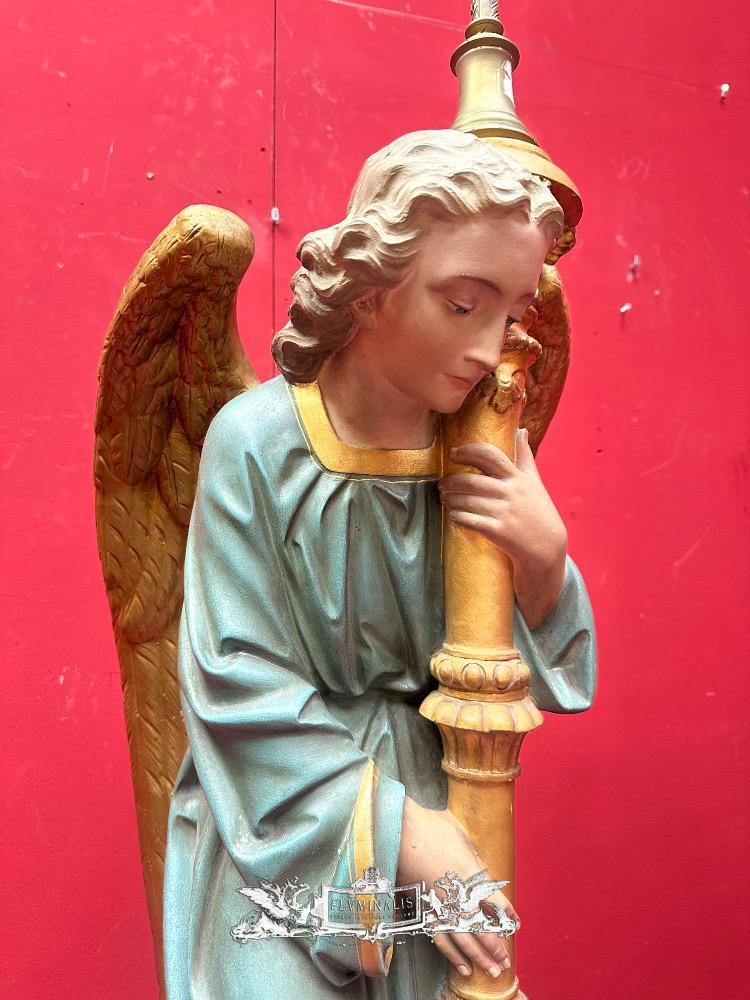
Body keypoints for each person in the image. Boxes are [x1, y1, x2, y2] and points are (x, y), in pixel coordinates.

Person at [163, 129, 597, 1000]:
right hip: (284, 818)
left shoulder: (477, 440)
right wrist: (402, 833)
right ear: (369, 290)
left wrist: (543, 559)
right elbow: (235, 677)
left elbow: (515, 664)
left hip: (439, 789)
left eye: (512, 316)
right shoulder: (256, 442)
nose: (491, 350)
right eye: (463, 305)